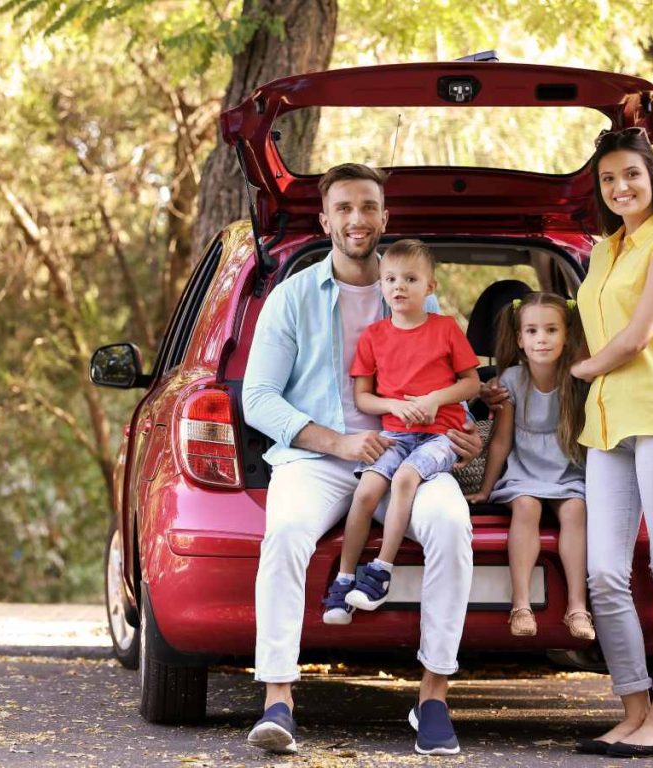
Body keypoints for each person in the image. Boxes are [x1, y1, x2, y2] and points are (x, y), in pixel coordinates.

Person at [241, 163, 482, 757]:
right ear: (325, 220)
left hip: (413, 454)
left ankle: (432, 698)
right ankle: (278, 700)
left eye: (368, 207)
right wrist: (336, 441)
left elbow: (450, 380)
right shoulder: (291, 298)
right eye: (344, 208)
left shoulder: (415, 291)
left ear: (384, 217)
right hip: (319, 458)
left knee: (452, 527)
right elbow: (257, 398)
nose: (357, 219)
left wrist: (465, 434)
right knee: (286, 533)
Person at [570, 127, 653, 758]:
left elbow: (638, 335)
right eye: (608, 179)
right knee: (603, 574)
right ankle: (633, 709)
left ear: (652, 178)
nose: (620, 187)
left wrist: (579, 370)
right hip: (606, 426)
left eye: (631, 175)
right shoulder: (602, 253)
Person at [322, 240, 480, 620]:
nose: (399, 286)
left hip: (442, 435)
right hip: (396, 433)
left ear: (430, 287)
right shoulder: (374, 336)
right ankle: (344, 581)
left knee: (406, 478)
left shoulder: (445, 329)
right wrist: (393, 405)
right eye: (391, 279)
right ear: (380, 284)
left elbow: (471, 384)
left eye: (410, 279)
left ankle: (380, 571)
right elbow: (363, 397)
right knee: (366, 491)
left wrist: (434, 399)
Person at [465, 293, 593, 641]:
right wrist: (487, 489)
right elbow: (502, 442)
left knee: (575, 511)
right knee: (526, 506)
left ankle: (577, 608)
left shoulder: (577, 378)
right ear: (520, 339)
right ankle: (520, 605)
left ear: (567, 336)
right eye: (533, 331)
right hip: (523, 473)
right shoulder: (510, 380)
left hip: (566, 472)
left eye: (551, 330)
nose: (542, 338)